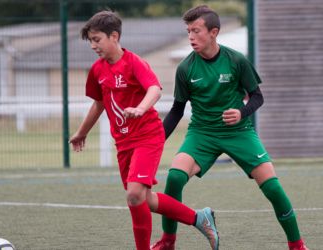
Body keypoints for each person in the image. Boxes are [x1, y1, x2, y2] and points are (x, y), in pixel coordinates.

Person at [151, 5, 308, 250]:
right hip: (202, 133)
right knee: (174, 178)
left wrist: (242, 112)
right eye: (188, 31)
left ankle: (297, 245)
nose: (191, 37)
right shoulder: (185, 69)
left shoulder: (236, 60)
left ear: (214, 32)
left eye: (196, 31)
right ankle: (168, 241)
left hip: (239, 133)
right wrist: (154, 142)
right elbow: (176, 110)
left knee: (273, 187)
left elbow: (257, 96)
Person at [69, 10, 219, 250]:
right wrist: (82, 132)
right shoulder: (97, 70)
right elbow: (98, 104)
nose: (93, 46)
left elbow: (155, 89)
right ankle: (199, 218)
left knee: (134, 195)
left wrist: (140, 108)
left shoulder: (134, 62)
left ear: (114, 36)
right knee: (142, 199)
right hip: (124, 143)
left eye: (97, 39)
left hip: (148, 136)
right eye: (90, 41)